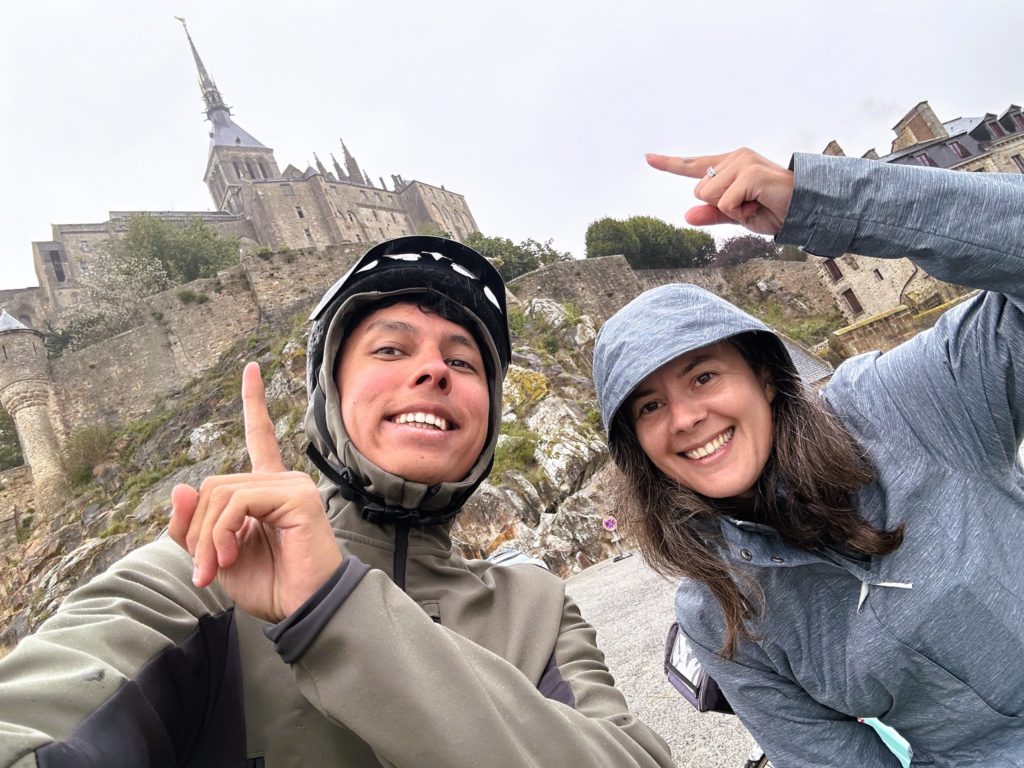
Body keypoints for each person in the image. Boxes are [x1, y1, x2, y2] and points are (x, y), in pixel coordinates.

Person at [0, 236, 674, 767]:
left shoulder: (537, 608)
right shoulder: (201, 575)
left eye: (464, 363)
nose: (434, 369)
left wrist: (334, 608)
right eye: (390, 348)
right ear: (328, 395)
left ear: (491, 415)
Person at [592, 149, 1024, 766]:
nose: (685, 418)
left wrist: (825, 202)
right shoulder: (718, 610)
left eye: (704, 376)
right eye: (649, 407)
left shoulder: (907, 404)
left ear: (766, 376)